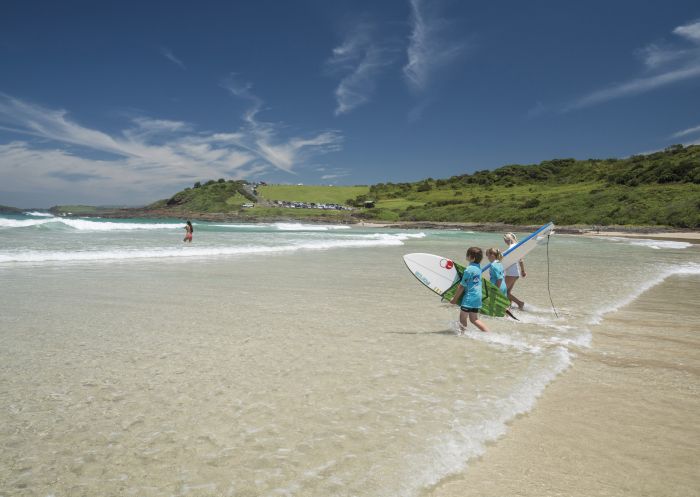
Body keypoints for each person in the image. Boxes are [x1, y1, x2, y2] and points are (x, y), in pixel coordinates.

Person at [450, 247, 489, 334]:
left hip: (469, 297)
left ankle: (462, 335)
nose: (466, 256)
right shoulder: (478, 268)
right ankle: (488, 333)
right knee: (474, 319)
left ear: (472, 258)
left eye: (468, 255)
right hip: (478, 297)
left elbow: (462, 286)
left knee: (462, 318)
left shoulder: (468, 270)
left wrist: (455, 299)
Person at [503, 232, 526, 309]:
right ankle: (509, 307)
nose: (505, 242)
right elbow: (521, 260)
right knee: (508, 292)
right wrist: (523, 271)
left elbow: (520, 260)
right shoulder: (517, 246)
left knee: (504, 291)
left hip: (511, 273)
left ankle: (520, 303)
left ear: (508, 239)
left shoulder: (512, 246)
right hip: (515, 273)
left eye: (505, 240)